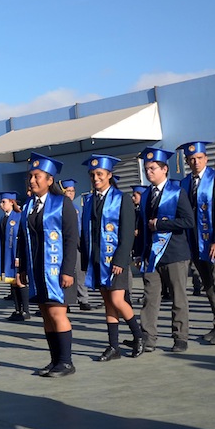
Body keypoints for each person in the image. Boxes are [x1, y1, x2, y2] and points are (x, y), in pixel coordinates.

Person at [17, 153, 80, 377]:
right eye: (31, 177)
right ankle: (55, 360)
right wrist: (22, 268)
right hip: (37, 271)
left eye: (37, 176)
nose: (32, 181)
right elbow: (23, 240)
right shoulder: (28, 207)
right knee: (45, 314)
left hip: (57, 270)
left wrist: (67, 270)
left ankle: (66, 362)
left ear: (50, 180)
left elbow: (72, 239)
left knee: (57, 313)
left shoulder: (62, 203)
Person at [79, 155, 142, 361]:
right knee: (108, 303)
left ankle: (138, 337)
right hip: (97, 259)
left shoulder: (121, 198)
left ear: (109, 175)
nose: (95, 178)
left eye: (99, 174)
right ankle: (113, 346)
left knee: (118, 299)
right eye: (92, 175)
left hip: (115, 260)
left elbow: (126, 233)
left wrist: (120, 261)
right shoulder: (89, 200)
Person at [137, 147, 195, 353]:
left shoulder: (177, 192)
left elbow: (188, 221)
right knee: (150, 298)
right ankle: (148, 338)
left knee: (178, 298)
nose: (149, 172)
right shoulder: (145, 195)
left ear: (164, 169)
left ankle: (180, 337)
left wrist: (161, 225)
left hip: (174, 254)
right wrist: (140, 252)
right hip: (153, 255)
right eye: (146, 169)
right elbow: (143, 226)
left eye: (153, 168)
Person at [179, 140, 215, 345]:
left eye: (199, 158)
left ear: (206, 159)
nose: (195, 162)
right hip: (194, 243)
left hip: (213, 242)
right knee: (207, 285)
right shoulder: (185, 183)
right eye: (191, 159)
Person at [61, 179, 94, 312]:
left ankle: (83, 299)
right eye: (68, 191)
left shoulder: (77, 207)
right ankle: (67, 301)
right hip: (65, 244)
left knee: (80, 272)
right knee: (67, 271)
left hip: (78, 243)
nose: (71, 193)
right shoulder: (60, 206)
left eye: (73, 191)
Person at [0, 192, 27, 321]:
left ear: (12, 202)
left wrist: (18, 256)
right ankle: (17, 310)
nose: (1, 204)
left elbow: (21, 239)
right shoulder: (3, 219)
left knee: (19, 282)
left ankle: (25, 311)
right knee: (12, 283)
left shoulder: (19, 217)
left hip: (16, 256)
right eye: (1, 202)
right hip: (7, 256)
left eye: (4, 202)